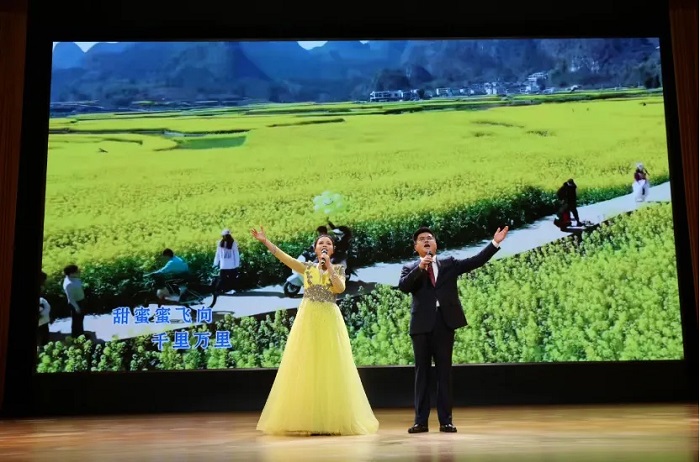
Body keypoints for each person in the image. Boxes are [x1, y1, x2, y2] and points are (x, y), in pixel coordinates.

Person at [251, 225, 378, 436]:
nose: (324, 245)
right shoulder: (307, 268)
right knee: (306, 363)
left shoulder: (338, 269)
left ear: (332, 250)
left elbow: (339, 288)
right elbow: (285, 258)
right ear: (315, 248)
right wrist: (265, 241)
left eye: (328, 243)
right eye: (321, 243)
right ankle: (307, 419)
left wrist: (329, 268)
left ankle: (330, 420)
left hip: (329, 317)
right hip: (308, 317)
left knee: (330, 364)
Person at [399, 226, 508, 434]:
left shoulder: (449, 263)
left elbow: (475, 261)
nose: (426, 240)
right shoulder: (410, 267)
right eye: (422, 239)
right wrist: (420, 267)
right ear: (416, 247)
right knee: (422, 374)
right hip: (421, 326)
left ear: (436, 244)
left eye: (430, 238)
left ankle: (446, 421)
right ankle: (420, 422)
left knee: (444, 373)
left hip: (444, 323)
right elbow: (404, 287)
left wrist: (495, 243)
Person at [210, 229, 241, 307]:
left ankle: (219, 290)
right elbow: (236, 254)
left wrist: (215, 263)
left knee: (222, 278)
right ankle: (230, 289)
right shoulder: (233, 243)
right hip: (231, 264)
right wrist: (237, 264)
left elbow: (217, 254)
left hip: (223, 265)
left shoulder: (220, 242)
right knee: (231, 278)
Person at [62, 265, 86, 338]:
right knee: (76, 321)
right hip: (76, 304)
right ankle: (76, 337)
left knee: (80, 320)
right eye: (76, 271)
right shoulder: (68, 284)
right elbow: (71, 298)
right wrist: (77, 308)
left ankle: (81, 335)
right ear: (71, 274)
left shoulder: (75, 278)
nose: (78, 272)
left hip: (81, 301)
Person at [37, 271, 51, 349]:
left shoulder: (41, 287)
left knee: (44, 332)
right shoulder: (40, 288)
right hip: (42, 316)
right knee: (44, 333)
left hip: (43, 316)